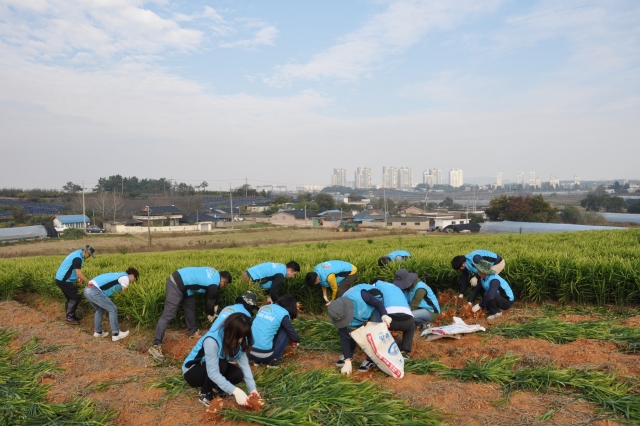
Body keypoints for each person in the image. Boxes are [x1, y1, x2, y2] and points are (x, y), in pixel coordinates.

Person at [148, 267, 231, 361]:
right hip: (176, 283)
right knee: (169, 314)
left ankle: (193, 332)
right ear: (223, 282)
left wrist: (215, 305)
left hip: (185, 286)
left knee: (190, 306)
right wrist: (211, 313)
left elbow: (212, 295)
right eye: (225, 285)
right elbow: (210, 299)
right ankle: (155, 346)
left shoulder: (214, 273)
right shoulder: (214, 284)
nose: (223, 287)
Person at [182, 313, 259, 408]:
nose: (240, 340)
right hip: (192, 371)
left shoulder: (240, 339)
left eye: (242, 337)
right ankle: (205, 393)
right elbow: (213, 373)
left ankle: (216, 387)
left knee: (238, 375)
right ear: (230, 333)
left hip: (213, 367)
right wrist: (235, 391)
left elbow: (245, 365)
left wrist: (253, 390)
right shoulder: (212, 340)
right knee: (221, 364)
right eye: (238, 337)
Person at [327, 283, 391, 374]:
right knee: (353, 331)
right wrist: (347, 360)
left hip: (374, 299)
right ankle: (349, 355)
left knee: (373, 330)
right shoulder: (338, 310)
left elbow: (378, 304)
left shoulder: (361, 296)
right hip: (358, 311)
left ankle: (370, 360)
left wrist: (384, 315)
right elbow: (344, 337)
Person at [84, 268, 139, 341]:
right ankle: (116, 334)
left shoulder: (119, 275)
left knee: (99, 310)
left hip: (88, 289)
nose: (133, 282)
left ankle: (98, 332)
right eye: (135, 279)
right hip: (94, 290)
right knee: (113, 309)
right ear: (132, 276)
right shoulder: (125, 278)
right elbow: (124, 294)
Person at [248, 295, 300, 368]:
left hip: (249, 352)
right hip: (265, 355)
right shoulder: (283, 313)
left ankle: (257, 361)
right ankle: (273, 361)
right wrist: (296, 340)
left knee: (264, 327)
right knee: (286, 331)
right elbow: (295, 337)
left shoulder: (264, 308)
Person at [371, 280, 416, 360]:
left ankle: (381, 352)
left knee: (376, 312)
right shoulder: (396, 287)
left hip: (390, 320)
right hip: (408, 319)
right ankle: (404, 352)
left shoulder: (374, 285)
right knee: (411, 327)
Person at [54, 245, 95, 324]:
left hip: (60, 279)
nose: (89, 256)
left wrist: (78, 278)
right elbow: (78, 273)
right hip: (64, 280)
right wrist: (88, 282)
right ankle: (69, 317)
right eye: (89, 255)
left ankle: (70, 316)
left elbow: (72, 269)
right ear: (85, 252)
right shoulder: (77, 258)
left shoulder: (76, 254)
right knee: (75, 297)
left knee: (71, 298)